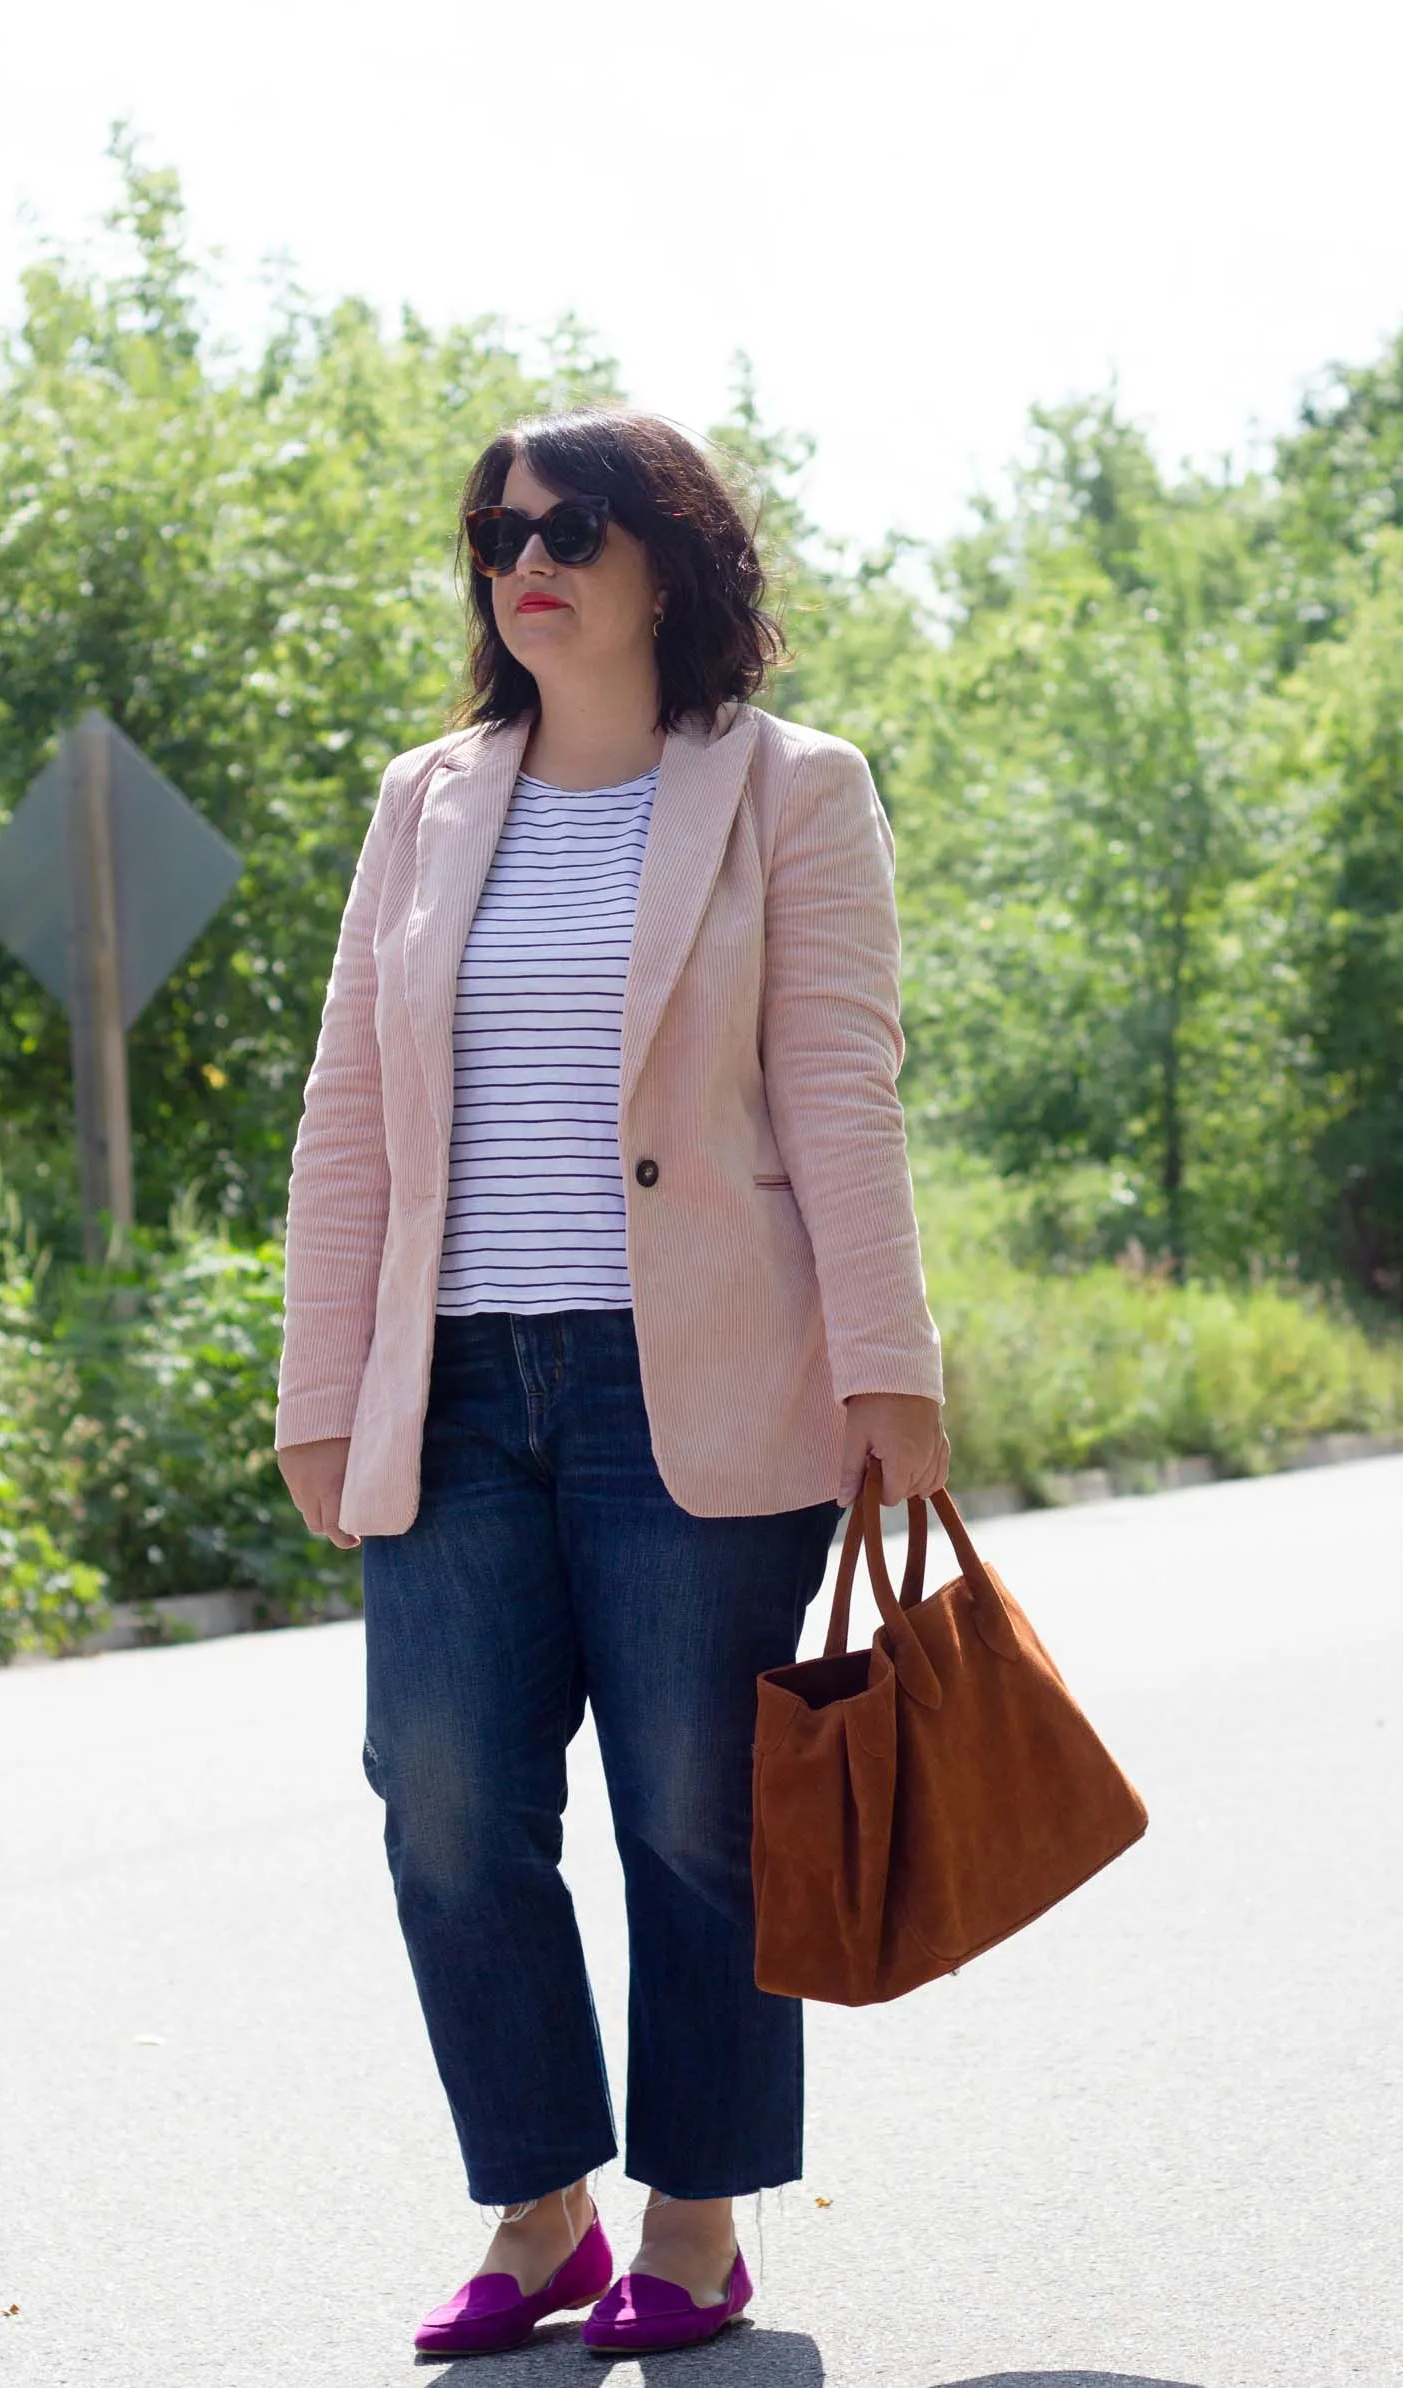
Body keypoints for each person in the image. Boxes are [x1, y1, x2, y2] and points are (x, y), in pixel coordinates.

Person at [274, 408, 948, 2358]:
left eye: (569, 524)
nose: (524, 559)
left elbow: (835, 1085)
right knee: (449, 1812)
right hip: (459, 1390)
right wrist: (322, 1388)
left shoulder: (785, 791)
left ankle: (695, 2217)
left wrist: (886, 1371)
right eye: (496, 534)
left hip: (707, 1384)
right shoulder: (427, 799)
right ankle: (539, 2205)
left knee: (695, 1818)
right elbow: (345, 1123)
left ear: (668, 555)